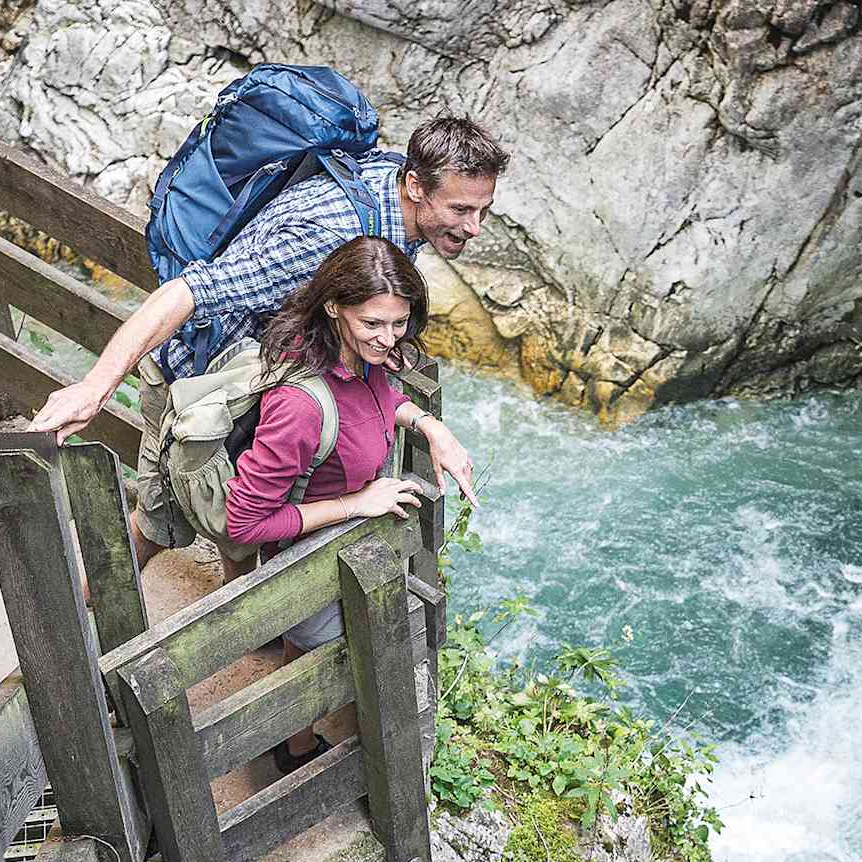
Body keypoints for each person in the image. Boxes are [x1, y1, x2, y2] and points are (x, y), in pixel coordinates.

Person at [29, 114, 507, 578]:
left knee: (241, 525)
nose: (474, 228)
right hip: (200, 376)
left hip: (265, 374)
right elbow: (187, 292)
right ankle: (81, 603)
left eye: (482, 210)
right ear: (416, 186)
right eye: (461, 210)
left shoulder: (401, 204)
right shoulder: (325, 233)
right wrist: (94, 389)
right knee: (161, 521)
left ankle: (244, 618)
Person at [227, 235, 433, 771]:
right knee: (370, 641)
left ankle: (293, 742)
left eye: (398, 323)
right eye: (373, 324)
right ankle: (326, 749)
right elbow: (246, 523)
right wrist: (357, 502)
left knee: (313, 648)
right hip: (305, 562)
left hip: (335, 551)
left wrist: (429, 425)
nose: (389, 340)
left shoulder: (360, 355)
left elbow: (379, 396)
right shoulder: (299, 406)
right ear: (334, 308)